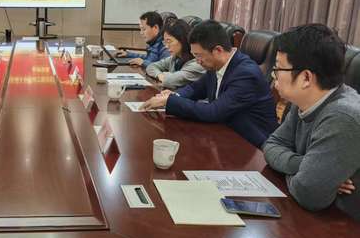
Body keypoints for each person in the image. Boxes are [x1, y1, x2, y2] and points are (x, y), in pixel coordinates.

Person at [263, 24, 360, 220]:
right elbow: (271, 145)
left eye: (278, 68)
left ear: (306, 77)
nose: (273, 75)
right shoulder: (304, 101)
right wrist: (307, 166)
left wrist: (311, 175)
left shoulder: (343, 117)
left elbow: (308, 193)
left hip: (343, 225)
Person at [142, 20, 277, 148]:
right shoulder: (216, 65)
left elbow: (213, 111)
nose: (197, 61)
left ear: (218, 50)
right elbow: (195, 88)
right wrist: (174, 95)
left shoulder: (246, 74)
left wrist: (170, 101)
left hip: (250, 145)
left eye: (199, 56)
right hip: (224, 134)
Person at [144, 19, 205, 89]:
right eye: (165, 42)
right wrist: (159, 75)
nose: (166, 46)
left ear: (182, 40)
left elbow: (169, 81)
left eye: (169, 41)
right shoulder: (175, 58)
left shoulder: (197, 63)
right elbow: (151, 67)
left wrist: (165, 76)